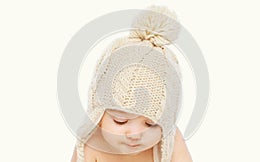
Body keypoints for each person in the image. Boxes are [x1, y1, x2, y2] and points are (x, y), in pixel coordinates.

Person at [71, 6, 193, 162]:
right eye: (120, 121)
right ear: (99, 116)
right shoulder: (91, 144)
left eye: (151, 124)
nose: (135, 134)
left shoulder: (170, 143)